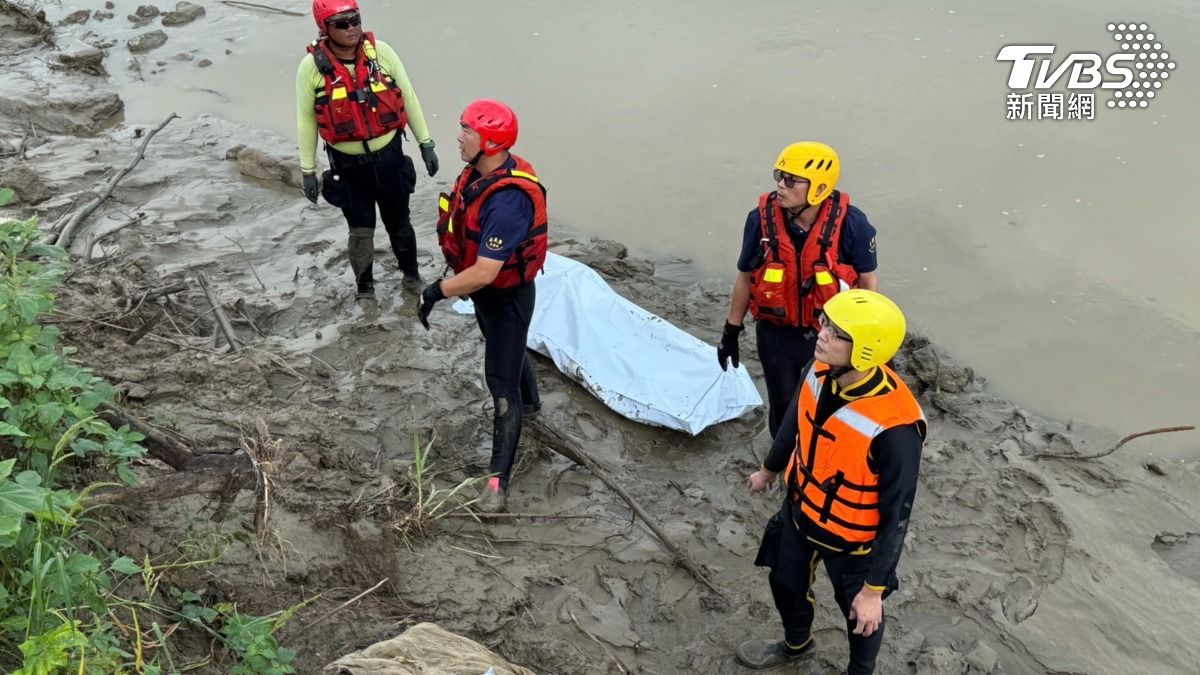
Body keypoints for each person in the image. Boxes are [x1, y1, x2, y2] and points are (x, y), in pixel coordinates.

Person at [738, 289, 926, 674]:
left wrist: (874, 591)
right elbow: (793, 423)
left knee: (861, 617)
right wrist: (768, 471)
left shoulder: (896, 429)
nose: (821, 334)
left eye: (837, 332)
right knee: (784, 583)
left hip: (853, 544)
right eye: (826, 323)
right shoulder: (820, 369)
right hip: (801, 512)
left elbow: (898, 516)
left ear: (866, 351)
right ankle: (797, 645)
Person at [416, 99, 547, 513]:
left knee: (499, 384)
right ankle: (535, 407)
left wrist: (436, 290)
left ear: (490, 142)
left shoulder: (508, 202)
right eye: (461, 127)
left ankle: (497, 483)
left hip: (506, 296)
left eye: (467, 131)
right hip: (492, 300)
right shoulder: (479, 173)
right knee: (509, 349)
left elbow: (487, 272)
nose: (458, 137)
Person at [717, 142, 879, 439]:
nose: (781, 184)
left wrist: (871, 340)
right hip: (776, 335)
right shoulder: (760, 221)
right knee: (783, 406)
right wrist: (731, 331)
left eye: (791, 180)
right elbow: (745, 278)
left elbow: (868, 284)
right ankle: (781, 464)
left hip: (829, 335)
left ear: (817, 188)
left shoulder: (853, 225)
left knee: (831, 408)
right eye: (779, 175)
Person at [296, 0, 439, 299]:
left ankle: (411, 276)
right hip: (349, 167)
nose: (352, 28)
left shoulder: (382, 53)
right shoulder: (311, 68)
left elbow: (408, 97)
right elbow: (306, 120)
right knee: (361, 231)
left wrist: (426, 144)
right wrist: (307, 170)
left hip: (390, 158)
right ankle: (365, 287)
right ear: (325, 28)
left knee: (400, 223)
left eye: (355, 19)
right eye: (342, 24)